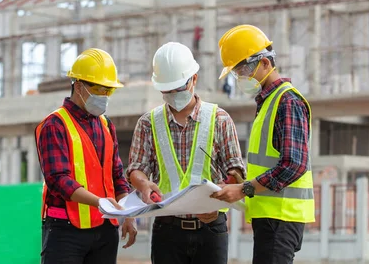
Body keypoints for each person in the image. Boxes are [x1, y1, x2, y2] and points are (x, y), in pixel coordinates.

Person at [127, 41, 246, 264]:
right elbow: (136, 168)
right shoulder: (147, 123)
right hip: (167, 230)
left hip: (211, 229)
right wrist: (143, 184)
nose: (173, 95)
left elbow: (235, 171)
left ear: (194, 79)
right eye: (167, 90)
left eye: (178, 88)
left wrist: (217, 204)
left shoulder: (219, 119)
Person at [211, 25, 315, 264]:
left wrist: (244, 189)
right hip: (270, 217)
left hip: (281, 217)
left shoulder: (287, 102)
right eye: (237, 72)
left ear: (266, 63)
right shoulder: (268, 103)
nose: (241, 77)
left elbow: (293, 164)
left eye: (244, 68)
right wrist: (240, 181)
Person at [35, 48, 137, 264]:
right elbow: (58, 180)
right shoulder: (55, 125)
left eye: (109, 91)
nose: (105, 96)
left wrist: (128, 213)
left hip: (105, 232)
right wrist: (99, 202)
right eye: (100, 89)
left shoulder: (106, 125)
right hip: (66, 232)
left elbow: (117, 175)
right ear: (79, 86)